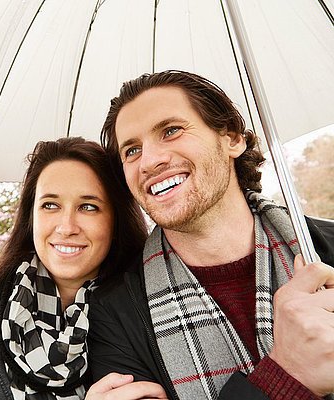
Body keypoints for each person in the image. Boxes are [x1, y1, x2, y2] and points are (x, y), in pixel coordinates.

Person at [88, 70, 334, 400]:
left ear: (232, 137)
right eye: (131, 150)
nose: (149, 161)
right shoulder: (115, 315)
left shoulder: (325, 249)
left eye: (171, 131)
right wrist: (287, 375)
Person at [0, 137, 153, 399]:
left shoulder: (145, 313)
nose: (67, 227)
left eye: (88, 207)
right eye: (50, 205)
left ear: (115, 221)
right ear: (31, 217)